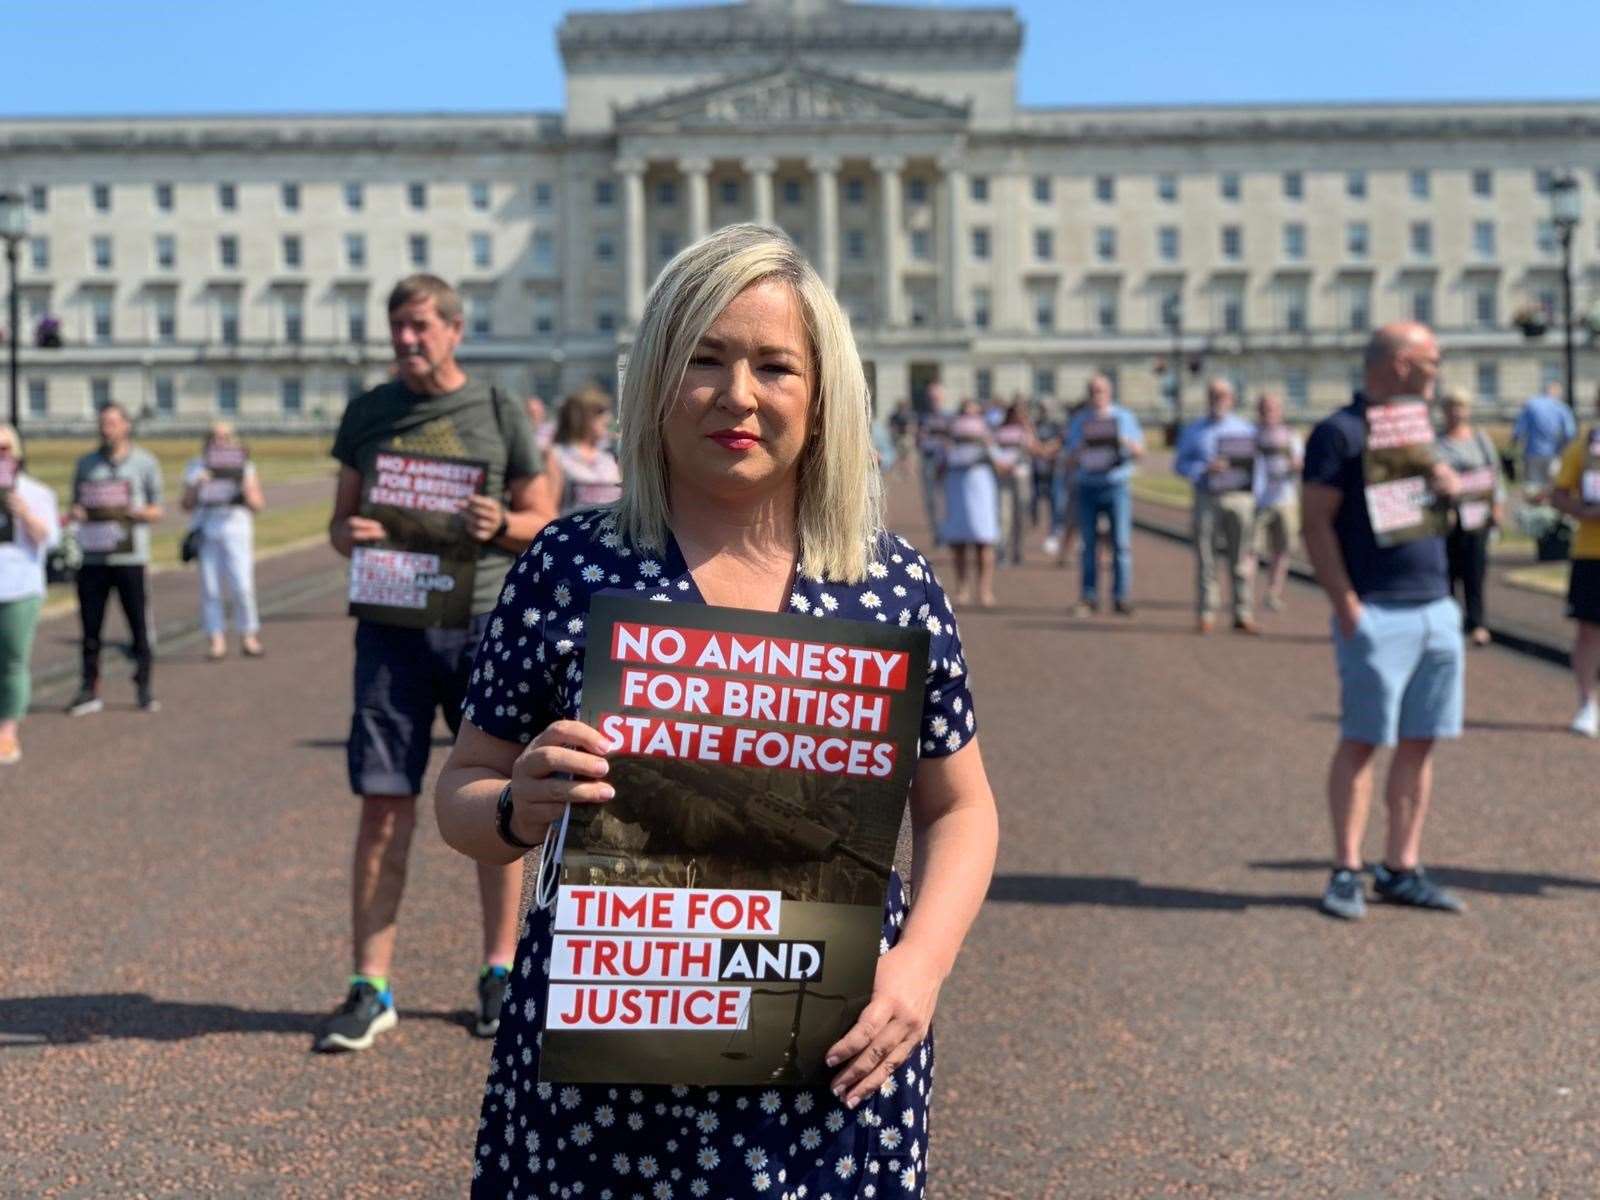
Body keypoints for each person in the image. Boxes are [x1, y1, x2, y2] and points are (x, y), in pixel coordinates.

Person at [434, 223, 998, 1199]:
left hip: (828, 1068)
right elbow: (462, 793)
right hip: (602, 1085)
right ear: (656, 380)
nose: (739, 395)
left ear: (822, 401)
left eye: (776, 366)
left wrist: (921, 969)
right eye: (705, 358)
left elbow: (960, 808)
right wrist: (513, 807)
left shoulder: (887, 585)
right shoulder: (570, 567)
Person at [313, 273, 555, 1053]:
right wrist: (356, 535)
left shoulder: (494, 409)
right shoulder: (369, 413)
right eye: (397, 328)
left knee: (493, 797)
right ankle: (370, 982)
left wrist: (501, 521)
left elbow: (542, 519)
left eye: (419, 325)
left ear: (454, 329)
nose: (406, 340)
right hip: (391, 624)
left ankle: (498, 969)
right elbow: (340, 528)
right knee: (384, 802)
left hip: (481, 622)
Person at [1301, 322, 1465, 920]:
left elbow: (1466, 512)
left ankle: (1401, 866)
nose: (1438, 366)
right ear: (1399, 363)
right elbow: (1315, 523)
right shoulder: (1339, 433)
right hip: (1376, 609)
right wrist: (1346, 604)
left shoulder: (1422, 432)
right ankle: (1346, 868)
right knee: (1364, 741)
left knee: (1421, 743)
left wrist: (1453, 486)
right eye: (1431, 358)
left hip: (1435, 606)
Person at [65, 401, 163, 716]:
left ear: (126, 426)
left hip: (129, 556)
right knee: (90, 629)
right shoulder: (85, 464)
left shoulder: (145, 463)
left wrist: (137, 512)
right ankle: (88, 688)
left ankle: (144, 685)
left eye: (112, 423)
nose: (105, 429)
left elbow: (157, 509)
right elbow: (77, 503)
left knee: (138, 626)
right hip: (93, 557)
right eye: (102, 423)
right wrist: (78, 513)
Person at [1175, 378, 1260, 634]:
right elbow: (1179, 464)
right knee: (1206, 558)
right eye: (1213, 395)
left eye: (1222, 395)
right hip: (1207, 497)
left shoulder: (1246, 430)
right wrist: (1203, 468)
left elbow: (1258, 466)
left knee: (1241, 559)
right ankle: (1206, 613)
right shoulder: (1194, 430)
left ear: (1231, 399)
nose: (1218, 400)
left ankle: (1242, 612)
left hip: (1239, 499)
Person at [0, 423, 61, 764]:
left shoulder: (36, 492)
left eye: (5, 448)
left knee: (11, 661)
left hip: (19, 586)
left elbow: (48, 540)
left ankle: (7, 731)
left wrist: (23, 513)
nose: (0, 455)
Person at [180, 422, 266, 660]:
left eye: (226, 437)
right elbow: (185, 505)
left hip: (236, 529)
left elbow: (258, 504)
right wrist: (197, 485)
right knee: (210, 587)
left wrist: (245, 490)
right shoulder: (196, 466)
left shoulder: (245, 466)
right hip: (207, 529)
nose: (220, 442)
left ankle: (249, 634)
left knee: (243, 585)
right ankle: (216, 638)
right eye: (215, 437)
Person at [1064, 374, 1144, 616]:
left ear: (1110, 393)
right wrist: (1079, 450)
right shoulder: (1079, 421)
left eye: (1101, 391)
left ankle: (1121, 597)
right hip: (1088, 485)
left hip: (1116, 485)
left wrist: (1124, 441)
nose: (1097, 395)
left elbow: (1140, 452)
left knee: (1121, 543)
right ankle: (1089, 597)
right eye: (1092, 391)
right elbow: (1068, 459)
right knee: (1088, 545)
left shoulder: (1124, 417)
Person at [1549, 384, 1600, 736]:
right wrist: (1582, 510)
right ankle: (1587, 704)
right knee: (1588, 632)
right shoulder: (1583, 446)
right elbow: (1558, 494)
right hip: (1591, 552)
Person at [1437, 387, 1504, 648]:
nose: (1456, 413)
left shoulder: (1480, 440)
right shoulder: (1437, 442)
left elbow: (1494, 475)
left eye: (1460, 407)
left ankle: (1477, 623)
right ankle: (1450, 623)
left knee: (1475, 570)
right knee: (1448, 572)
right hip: (1448, 516)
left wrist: (1497, 507)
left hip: (1476, 514)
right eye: (1451, 407)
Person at [940, 398, 1000, 605]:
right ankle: (962, 588)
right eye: (965, 413)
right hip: (957, 484)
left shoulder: (987, 434)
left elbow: (999, 462)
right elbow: (941, 464)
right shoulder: (951, 437)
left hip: (980, 483)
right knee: (958, 542)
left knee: (983, 539)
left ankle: (984, 589)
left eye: (973, 414)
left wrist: (987, 443)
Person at [1252, 391, 1304, 613]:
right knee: (1250, 549)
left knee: (1281, 551)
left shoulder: (1291, 435)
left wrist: (1296, 465)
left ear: (1280, 411)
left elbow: (1302, 464)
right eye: (1264, 409)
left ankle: (1273, 593)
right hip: (1258, 501)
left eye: (1271, 408)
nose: (1268, 413)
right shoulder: (1250, 436)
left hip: (1285, 500)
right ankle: (1245, 594)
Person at [545, 387, 623, 518]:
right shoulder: (557, 455)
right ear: (580, 417)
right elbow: (549, 509)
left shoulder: (611, 455)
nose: (608, 418)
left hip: (609, 533)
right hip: (572, 532)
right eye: (600, 412)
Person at [1512, 380, 1576, 492]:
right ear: (1557, 393)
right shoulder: (1561, 407)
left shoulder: (1531, 404)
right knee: (1553, 487)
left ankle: (1535, 508)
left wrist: (1515, 446)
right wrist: (1563, 449)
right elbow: (1570, 433)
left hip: (1532, 452)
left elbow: (1519, 430)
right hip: (1554, 454)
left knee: (1533, 488)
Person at [991, 399, 1032, 567]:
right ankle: (1002, 551)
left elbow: (1032, 448)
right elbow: (994, 451)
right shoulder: (1000, 431)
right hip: (1004, 476)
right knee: (1004, 514)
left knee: (1021, 515)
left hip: (1021, 476)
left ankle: (1018, 551)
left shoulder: (1025, 431)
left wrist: (1028, 428)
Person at [916, 383, 950, 541]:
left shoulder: (949, 417)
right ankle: (937, 531)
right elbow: (918, 439)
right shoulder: (922, 417)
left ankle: (946, 529)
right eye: (931, 398)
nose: (933, 401)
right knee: (930, 498)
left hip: (944, 461)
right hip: (928, 459)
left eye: (936, 397)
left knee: (944, 497)